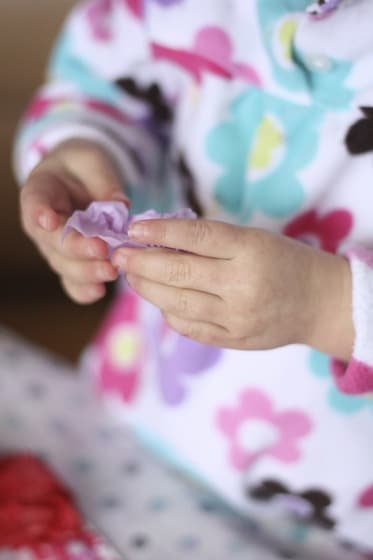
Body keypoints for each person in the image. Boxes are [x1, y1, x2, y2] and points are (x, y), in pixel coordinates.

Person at [15, 0, 373, 555]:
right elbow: (101, 84)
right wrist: (78, 150)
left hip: (346, 520)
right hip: (144, 427)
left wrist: (330, 306)